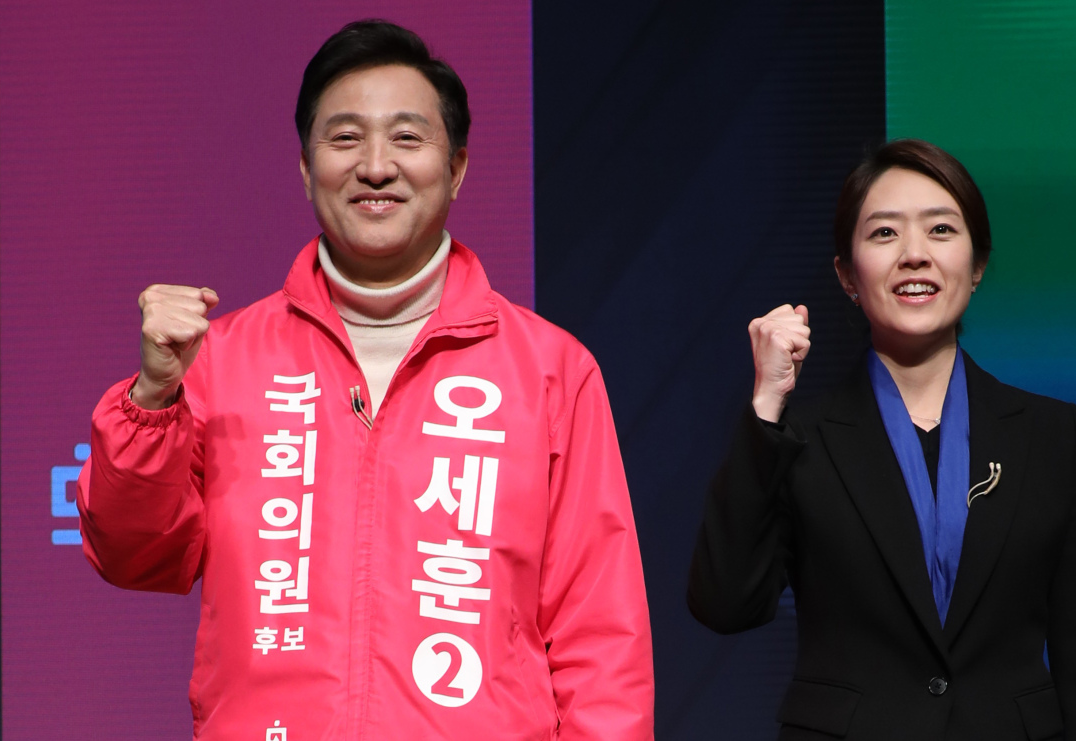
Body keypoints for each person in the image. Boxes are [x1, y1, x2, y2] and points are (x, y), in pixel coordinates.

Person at [78, 20, 654, 740]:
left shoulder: (550, 369)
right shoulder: (220, 362)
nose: (375, 166)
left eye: (407, 139)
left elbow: (600, 634)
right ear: (304, 164)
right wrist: (153, 399)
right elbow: (135, 555)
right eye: (345, 138)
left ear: (459, 165)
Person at [687, 139, 1076, 740]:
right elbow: (724, 605)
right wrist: (767, 403)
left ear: (976, 266)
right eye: (884, 234)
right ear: (847, 274)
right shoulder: (798, 441)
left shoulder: (1051, 435)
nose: (915, 255)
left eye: (942, 230)